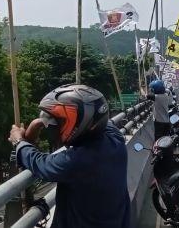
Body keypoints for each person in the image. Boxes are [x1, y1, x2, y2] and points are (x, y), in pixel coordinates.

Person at [8, 84, 130, 228]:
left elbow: (40, 163)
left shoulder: (77, 161)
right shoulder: (114, 139)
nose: (54, 127)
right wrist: (41, 122)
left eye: (59, 122)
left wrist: (19, 141)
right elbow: (96, 118)